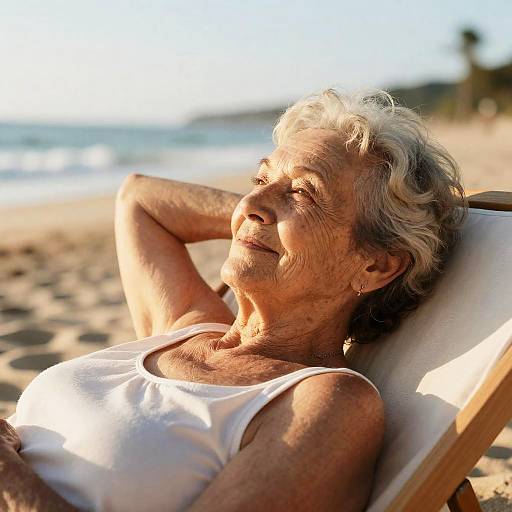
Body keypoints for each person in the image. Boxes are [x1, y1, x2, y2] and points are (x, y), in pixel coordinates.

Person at [0, 89, 466, 511]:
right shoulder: (189, 326)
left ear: (375, 266)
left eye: (305, 192)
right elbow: (139, 198)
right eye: (259, 179)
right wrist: (263, 224)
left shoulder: (325, 404)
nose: (251, 202)